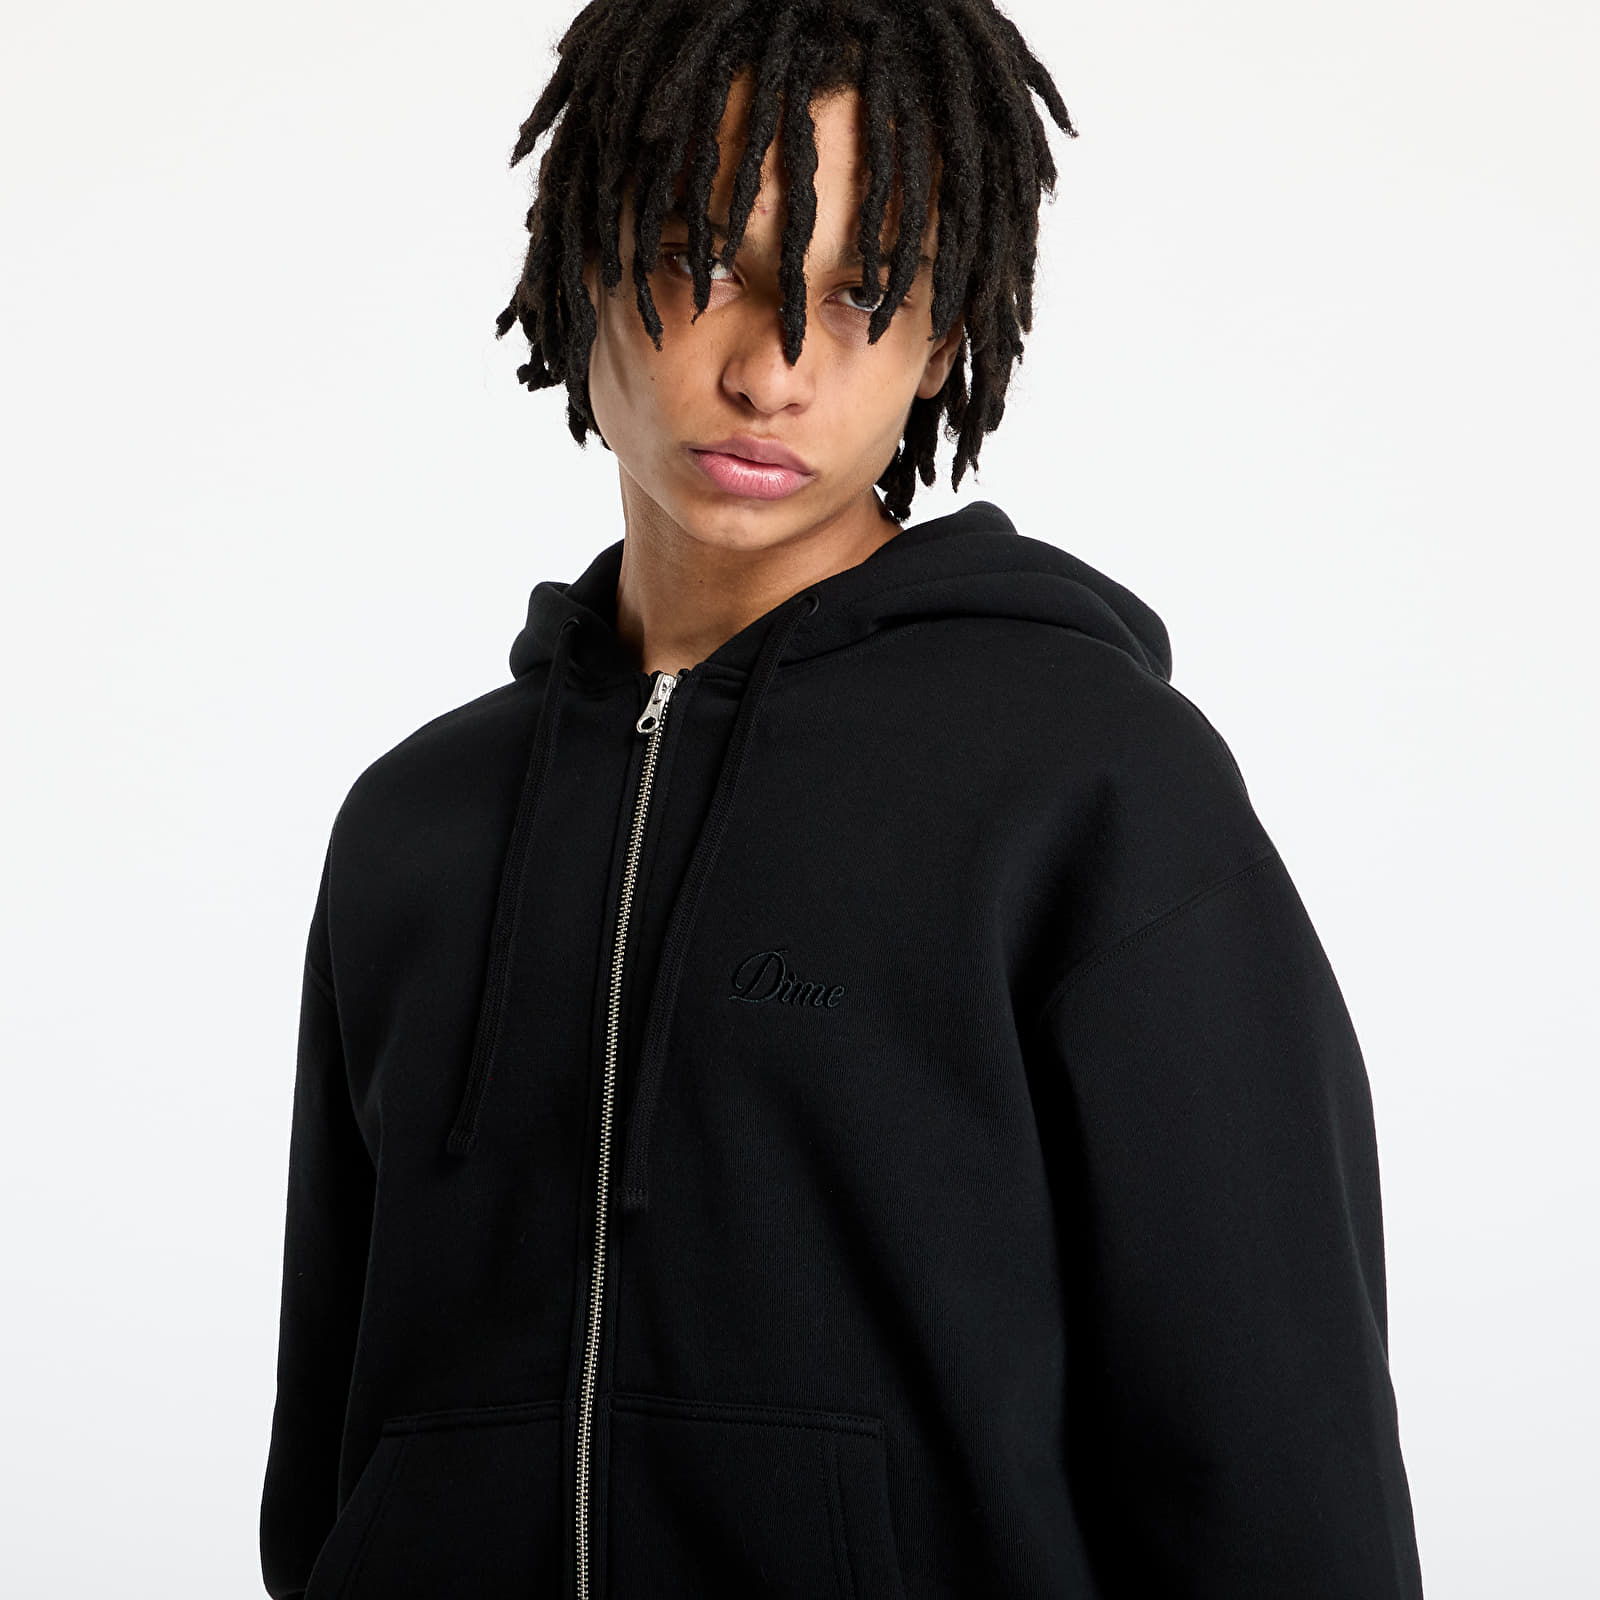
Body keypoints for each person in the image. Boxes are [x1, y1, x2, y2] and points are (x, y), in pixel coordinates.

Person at [260, 2, 1425, 1596]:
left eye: (860, 295)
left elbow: (1277, 1471)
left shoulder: (1089, 789)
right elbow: (332, 1465)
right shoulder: (419, 829)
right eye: (706, 265)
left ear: (943, 341)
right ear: (581, 264)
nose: (772, 371)